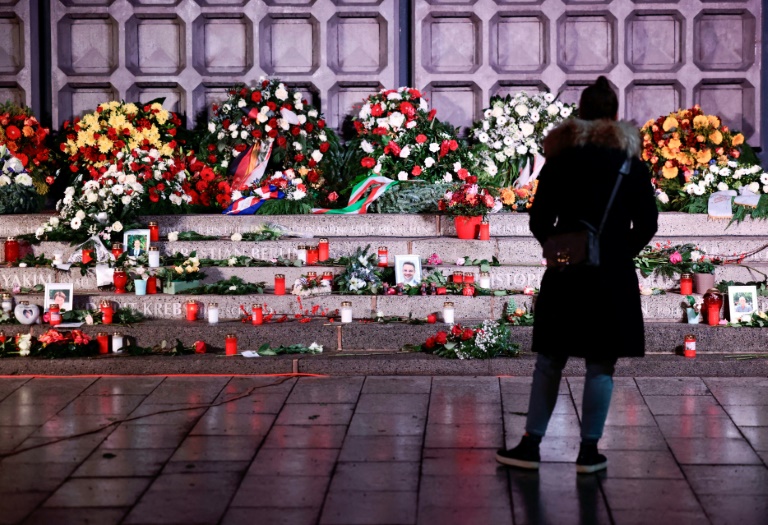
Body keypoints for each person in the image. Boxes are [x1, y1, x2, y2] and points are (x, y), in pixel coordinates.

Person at [495, 76, 659, 474]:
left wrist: (560, 249)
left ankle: (531, 445)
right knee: (601, 363)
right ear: (615, 115)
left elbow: (538, 219)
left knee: (550, 359)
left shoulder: (562, 159)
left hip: (566, 273)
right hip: (612, 276)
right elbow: (649, 223)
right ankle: (589, 451)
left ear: (580, 113)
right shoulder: (629, 162)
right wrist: (619, 253)